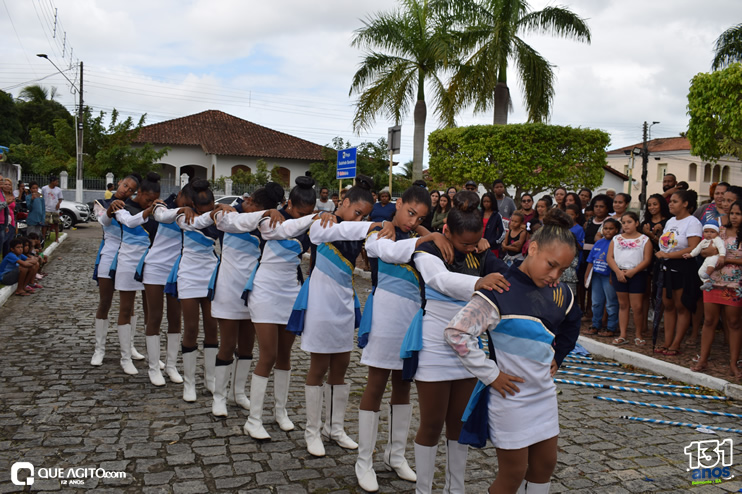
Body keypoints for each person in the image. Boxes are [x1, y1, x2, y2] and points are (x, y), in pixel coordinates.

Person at [443, 208, 581, 494]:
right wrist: (491, 375)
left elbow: (572, 323)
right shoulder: (499, 288)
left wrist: (559, 357)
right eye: (551, 265)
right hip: (511, 398)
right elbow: (457, 333)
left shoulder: (560, 292)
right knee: (513, 473)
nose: (555, 275)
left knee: (545, 466)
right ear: (533, 248)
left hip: (544, 394)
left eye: (562, 270)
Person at [409, 191, 509, 494]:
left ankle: (456, 489)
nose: (470, 249)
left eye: (474, 242)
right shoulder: (428, 251)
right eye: (464, 244)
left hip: (467, 348)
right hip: (434, 346)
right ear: (447, 232)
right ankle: (423, 490)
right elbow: (439, 280)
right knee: (431, 424)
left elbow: (508, 277)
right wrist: (478, 281)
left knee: (459, 423)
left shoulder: (482, 252)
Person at [288, 175, 391, 458]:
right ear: (343, 202)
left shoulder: (356, 229)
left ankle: (334, 428)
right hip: (320, 304)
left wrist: (381, 227)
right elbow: (331, 233)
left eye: (364, 215)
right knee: (318, 367)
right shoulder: (323, 223)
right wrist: (370, 225)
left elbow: (368, 241)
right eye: (356, 212)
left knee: (341, 366)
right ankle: (312, 430)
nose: (360, 219)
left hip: (345, 303)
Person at [355, 186, 450, 491]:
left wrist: (422, 232)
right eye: (410, 212)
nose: (412, 221)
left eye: (419, 218)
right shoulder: (379, 233)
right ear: (398, 204)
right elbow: (387, 252)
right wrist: (424, 236)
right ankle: (364, 460)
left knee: (403, 386)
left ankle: (395, 456)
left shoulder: (415, 235)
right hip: (384, 316)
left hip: (411, 320)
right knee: (376, 384)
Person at [210, 183, 285, 420]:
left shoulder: (266, 223)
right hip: (228, 288)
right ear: (250, 201)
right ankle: (219, 396)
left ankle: (238, 392)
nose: (257, 214)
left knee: (246, 346)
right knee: (227, 344)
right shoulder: (229, 214)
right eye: (255, 208)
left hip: (252, 289)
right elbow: (216, 214)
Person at [141, 185, 197, 386]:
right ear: (179, 195)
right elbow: (161, 216)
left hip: (176, 270)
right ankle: (154, 367)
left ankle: (171, 365)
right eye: (186, 203)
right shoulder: (162, 206)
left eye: (191, 205)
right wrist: (182, 209)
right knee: (155, 316)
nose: (188, 207)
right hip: (155, 267)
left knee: (175, 318)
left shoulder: (194, 213)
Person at [113, 173, 162, 375]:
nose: (150, 203)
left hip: (150, 263)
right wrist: (149, 211)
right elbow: (130, 222)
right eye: (147, 199)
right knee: (126, 308)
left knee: (151, 312)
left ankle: (153, 356)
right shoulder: (122, 207)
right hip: (128, 262)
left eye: (153, 200)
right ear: (139, 192)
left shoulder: (157, 210)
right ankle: (125, 357)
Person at [90, 175, 141, 367]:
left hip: (129, 257)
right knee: (105, 302)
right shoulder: (101, 203)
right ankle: (99, 349)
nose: (126, 190)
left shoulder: (133, 207)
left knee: (129, 305)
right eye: (125, 185)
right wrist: (111, 209)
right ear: (119, 183)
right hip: (109, 254)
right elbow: (104, 221)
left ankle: (130, 345)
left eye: (131, 189)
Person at [691, 201, 742, 380]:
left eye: (738, 213)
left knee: (734, 322)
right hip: (712, 281)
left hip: (735, 284)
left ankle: (733, 363)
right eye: (732, 213)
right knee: (709, 320)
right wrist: (716, 254)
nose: (734, 217)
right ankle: (703, 359)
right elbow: (704, 251)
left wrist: (726, 259)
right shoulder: (719, 232)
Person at [655, 190, 703, 356]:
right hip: (666, 266)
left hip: (683, 266)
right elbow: (666, 242)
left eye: (675, 201)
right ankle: (667, 342)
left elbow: (693, 247)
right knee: (668, 305)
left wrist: (668, 255)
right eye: (671, 201)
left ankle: (676, 343)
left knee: (681, 305)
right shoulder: (670, 221)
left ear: (685, 204)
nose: (670, 204)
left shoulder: (693, 222)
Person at [607, 212, 652, 346]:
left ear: (637, 223)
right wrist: (617, 272)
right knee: (623, 305)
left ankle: (638, 335)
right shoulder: (616, 239)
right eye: (623, 222)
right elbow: (610, 257)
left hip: (637, 274)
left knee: (637, 306)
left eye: (629, 222)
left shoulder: (644, 239)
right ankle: (623, 334)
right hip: (619, 273)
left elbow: (647, 259)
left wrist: (633, 271)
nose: (626, 225)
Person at [585, 218, 620, 338]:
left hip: (608, 276)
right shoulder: (599, 242)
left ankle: (611, 327)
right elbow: (591, 260)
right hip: (597, 275)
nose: (608, 231)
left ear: (616, 230)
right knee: (596, 302)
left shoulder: (617, 243)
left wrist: (612, 276)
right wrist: (587, 276)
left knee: (611, 303)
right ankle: (595, 325)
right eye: (605, 228)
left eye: (611, 229)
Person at [685, 221, 726, 291]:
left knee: (711, 265)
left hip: (716, 257)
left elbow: (721, 247)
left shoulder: (717, 240)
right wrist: (691, 255)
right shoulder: (703, 241)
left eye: (712, 232)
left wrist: (722, 256)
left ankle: (707, 274)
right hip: (707, 258)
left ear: (717, 233)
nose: (709, 234)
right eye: (706, 232)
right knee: (700, 272)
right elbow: (697, 249)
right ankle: (707, 282)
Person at [480, 192, 504, 256]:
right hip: (479, 245)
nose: (486, 203)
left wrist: (495, 241)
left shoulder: (497, 215)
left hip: (492, 247)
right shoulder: (478, 214)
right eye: (484, 201)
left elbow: (502, 231)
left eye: (488, 201)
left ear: (492, 202)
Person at [41, 176, 63, 243]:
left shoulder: (58, 190)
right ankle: (43, 238)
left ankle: (56, 238)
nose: (57, 182)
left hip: (55, 209)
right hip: (46, 208)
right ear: (52, 181)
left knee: (56, 223)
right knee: (45, 224)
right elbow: (42, 197)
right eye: (56, 181)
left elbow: (60, 198)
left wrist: (58, 203)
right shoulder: (44, 188)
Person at [2, 179, 16, 256]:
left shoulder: (12, 196)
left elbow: (13, 209)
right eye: (5, 184)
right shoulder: (1, 196)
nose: (7, 186)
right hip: (3, 221)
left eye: (9, 185)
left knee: (8, 245)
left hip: (12, 222)